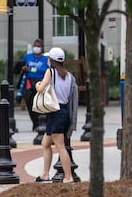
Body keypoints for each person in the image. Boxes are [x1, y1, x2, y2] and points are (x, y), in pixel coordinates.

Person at [34, 47, 78, 183]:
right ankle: (45, 174)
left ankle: (68, 177)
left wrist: (37, 85)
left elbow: (41, 89)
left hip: (55, 112)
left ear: (51, 60)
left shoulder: (50, 72)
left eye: (48, 58)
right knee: (45, 143)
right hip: (63, 111)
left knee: (60, 146)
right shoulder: (69, 76)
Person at [15, 38, 49, 130]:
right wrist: (23, 68)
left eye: (38, 46)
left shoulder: (45, 59)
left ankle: (40, 123)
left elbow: (47, 71)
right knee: (30, 103)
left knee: (39, 104)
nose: (36, 48)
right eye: (35, 46)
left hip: (40, 83)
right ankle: (35, 123)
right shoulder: (28, 57)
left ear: (42, 48)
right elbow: (19, 67)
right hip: (29, 83)